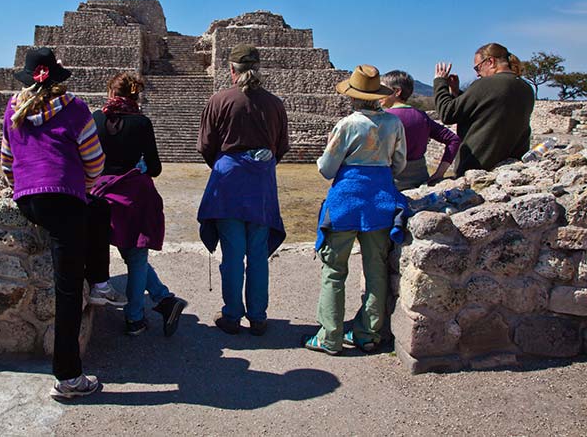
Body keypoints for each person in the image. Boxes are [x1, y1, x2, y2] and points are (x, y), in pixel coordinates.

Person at [0, 47, 124, 399]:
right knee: (67, 291)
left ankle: (99, 284)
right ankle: (68, 377)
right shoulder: (74, 108)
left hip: (28, 201)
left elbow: (7, 162)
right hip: (63, 200)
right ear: (56, 77)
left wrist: (24, 189)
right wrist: (77, 188)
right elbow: (95, 162)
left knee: (97, 210)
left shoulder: (13, 108)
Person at [302, 65, 408, 356]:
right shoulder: (393, 124)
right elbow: (399, 164)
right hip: (380, 202)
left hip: (346, 203)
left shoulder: (347, 125)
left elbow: (327, 168)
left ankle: (330, 335)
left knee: (334, 271)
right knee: (376, 270)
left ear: (354, 96)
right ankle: (368, 333)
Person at [197, 43, 290, 336]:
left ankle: (232, 315)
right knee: (258, 253)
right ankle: (259, 316)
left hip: (229, 183)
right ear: (257, 68)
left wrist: (228, 163)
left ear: (231, 70)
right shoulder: (275, 104)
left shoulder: (220, 100)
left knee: (233, 253)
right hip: (260, 183)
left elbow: (205, 146)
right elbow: (281, 147)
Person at [90, 72, 188, 337]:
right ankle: (137, 317)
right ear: (135, 95)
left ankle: (164, 300)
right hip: (134, 196)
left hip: (100, 196)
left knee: (128, 254)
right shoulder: (142, 123)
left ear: (110, 93)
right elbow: (154, 168)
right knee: (135, 257)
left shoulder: (94, 119)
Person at [433, 43, 534, 176]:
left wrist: (440, 83)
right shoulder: (526, 88)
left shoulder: (486, 84)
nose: (477, 74)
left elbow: (447, 114)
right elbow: (487, 109)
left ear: (490, 61)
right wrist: (457, 93)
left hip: (478, 167)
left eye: (478, 68)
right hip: (509, 167)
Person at [380, 70, 461, 189]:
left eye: (382, 89)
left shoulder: (382, 119)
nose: (378, 94)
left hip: (390, 184)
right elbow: (453, 140)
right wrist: (440, 173)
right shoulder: (422, 116)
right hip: (419, 182)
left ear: (397, 91)